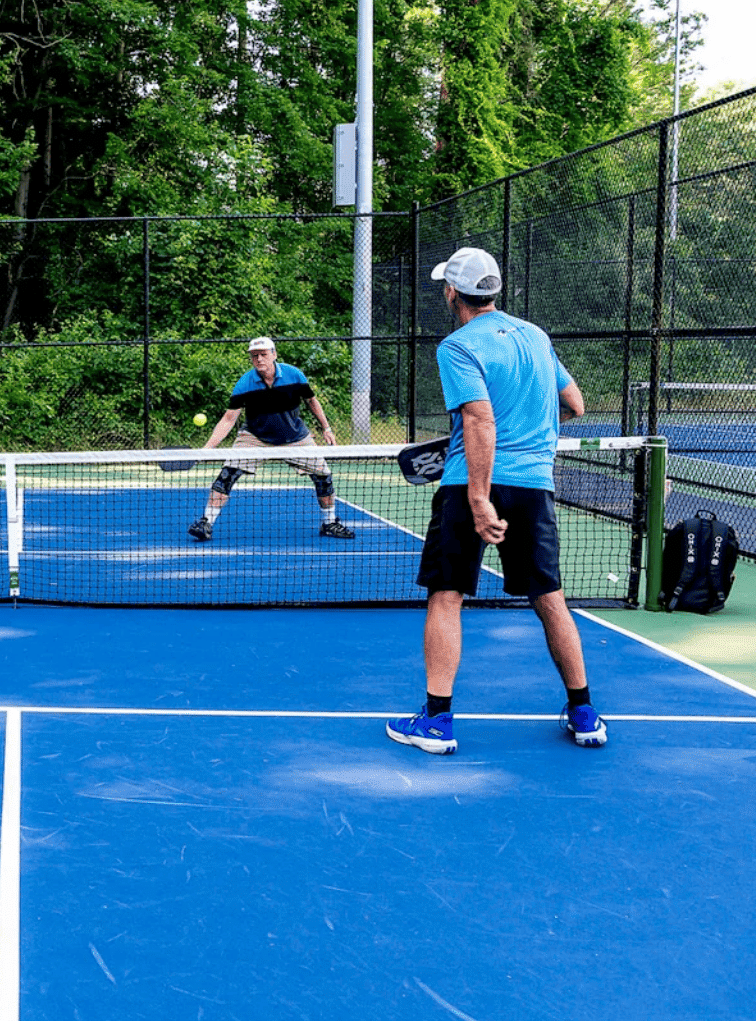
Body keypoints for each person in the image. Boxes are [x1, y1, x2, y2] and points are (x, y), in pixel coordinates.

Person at [387, 248, 606, 755]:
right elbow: (573, 404)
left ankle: (437, 722)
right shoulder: (535, 336)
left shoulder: (457, 346)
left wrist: (481, 497)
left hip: (471, 487)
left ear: (452, 293)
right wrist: (528, 437)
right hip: (534, 483)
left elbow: (480, 420)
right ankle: (585, 713)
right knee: (550, 599)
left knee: (447, 596)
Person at [188, 336, 355, 542]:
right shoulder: (245, 383)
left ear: (274, 355)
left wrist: (326, 428)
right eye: (254, 356)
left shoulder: (294, 375)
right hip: (255, 437)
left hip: (295, 436)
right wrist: (208, 448)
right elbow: (229, 419)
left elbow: (312, 401)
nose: (259, 359)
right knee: (227, 474)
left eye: (263, 355)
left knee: (323, 475)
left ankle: (329, 523)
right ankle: (206, 523)